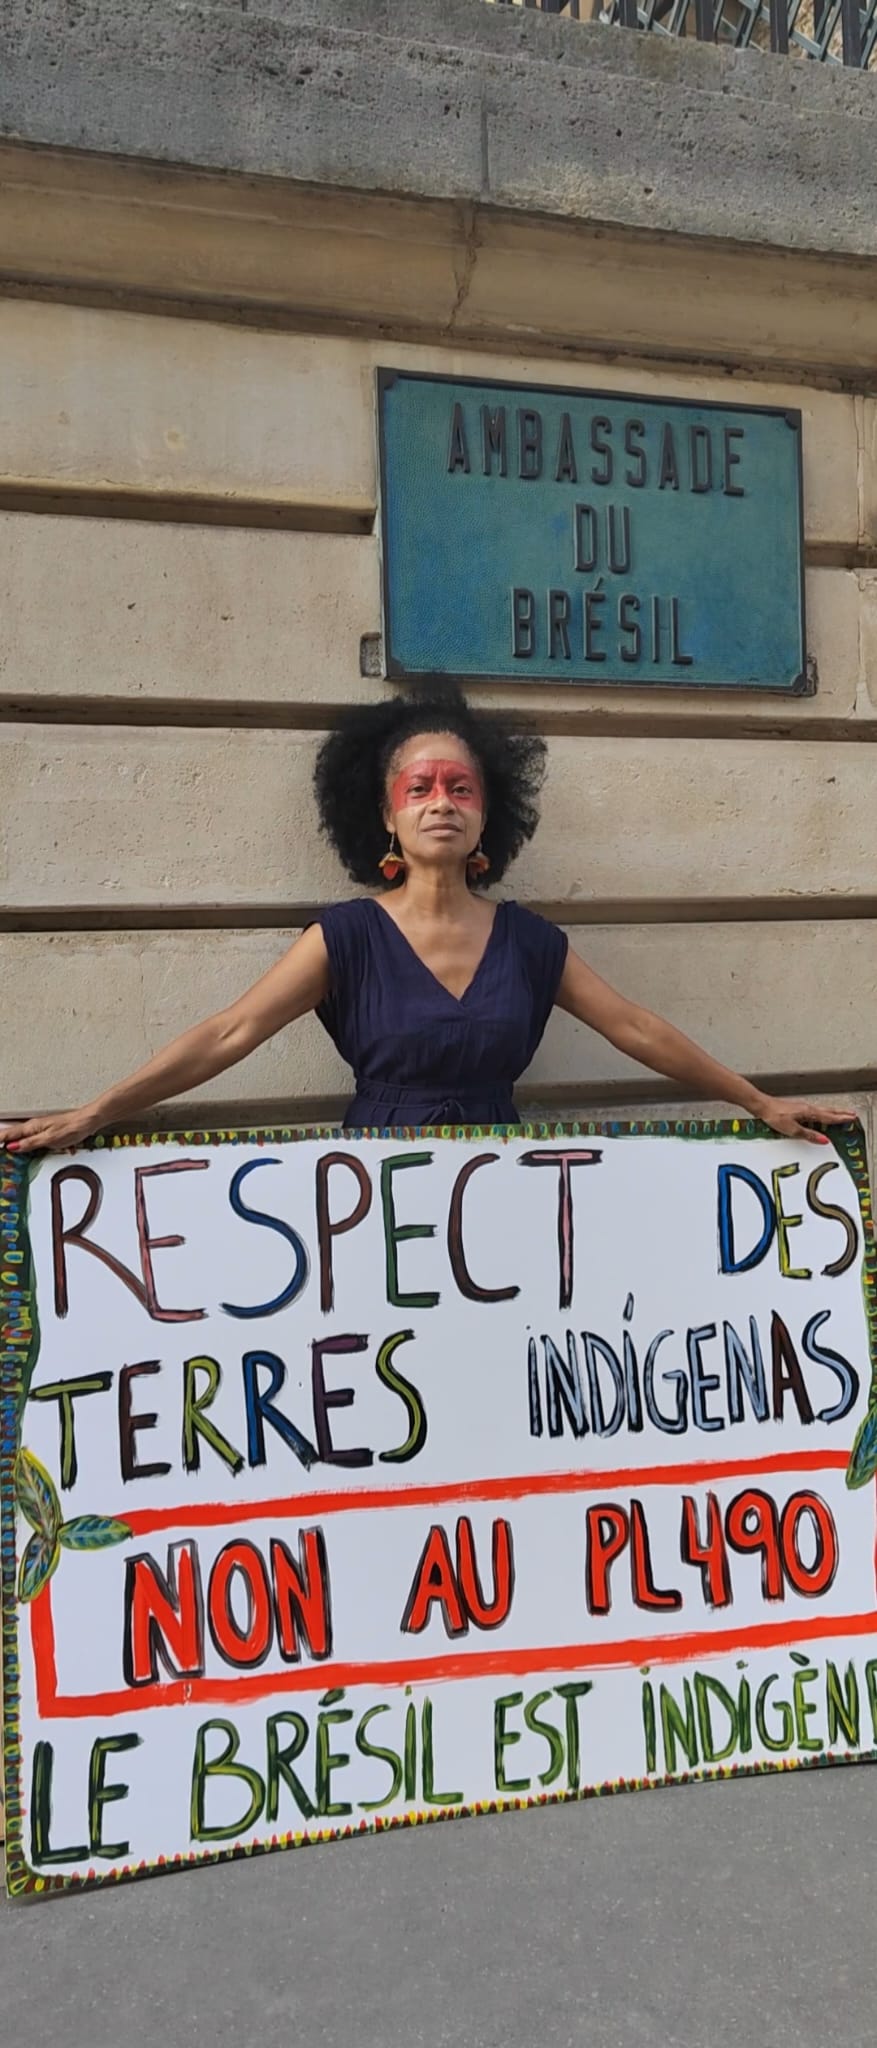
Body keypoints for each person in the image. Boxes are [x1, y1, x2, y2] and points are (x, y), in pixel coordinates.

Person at [0, 687, 848, 1154]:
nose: (441, 801)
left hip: (504, 1191)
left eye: (461, 787)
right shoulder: (342, 937)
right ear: (386, 817)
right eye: (420, 788)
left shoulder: (530, 942)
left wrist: (759, 1103)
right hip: (373, 1198)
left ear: (488, 815)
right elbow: (228, 1035)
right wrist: (95, 1113)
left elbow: (634, 1028)